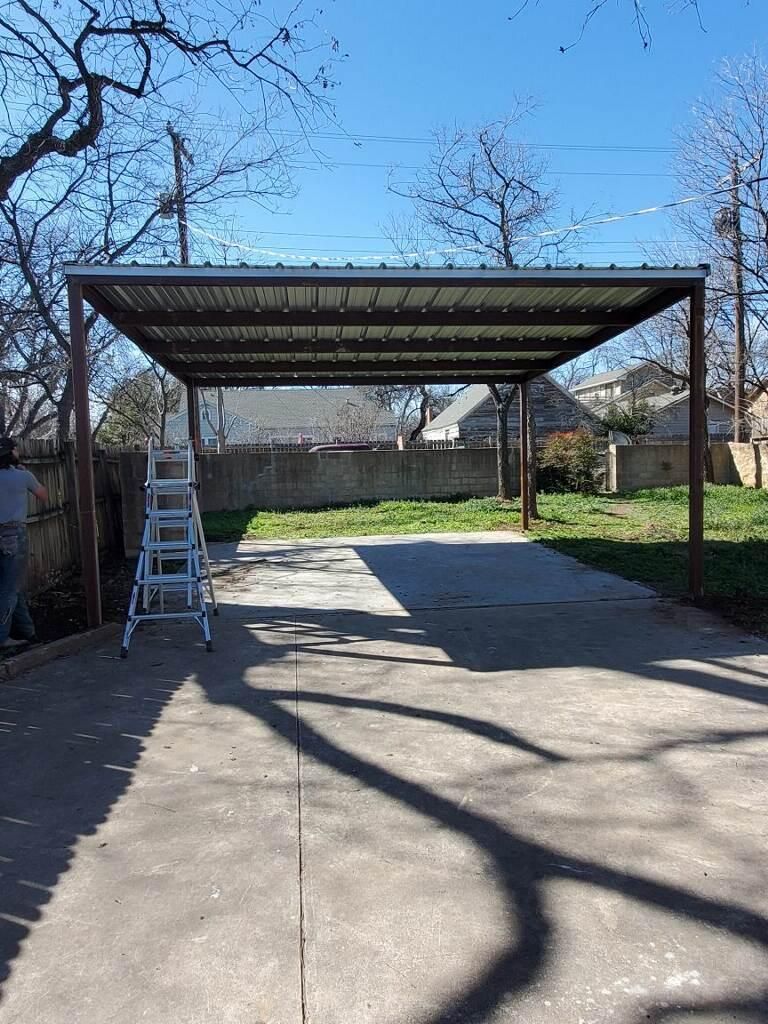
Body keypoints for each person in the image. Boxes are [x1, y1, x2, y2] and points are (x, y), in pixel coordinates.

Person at [0, 437, 48, 652]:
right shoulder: (22, 476)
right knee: (9, 589)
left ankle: (26, 631)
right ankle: (2, 638)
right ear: (11, 453)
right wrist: (24, 472)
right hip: (13, 534)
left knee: (12, 584)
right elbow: (43, 495)